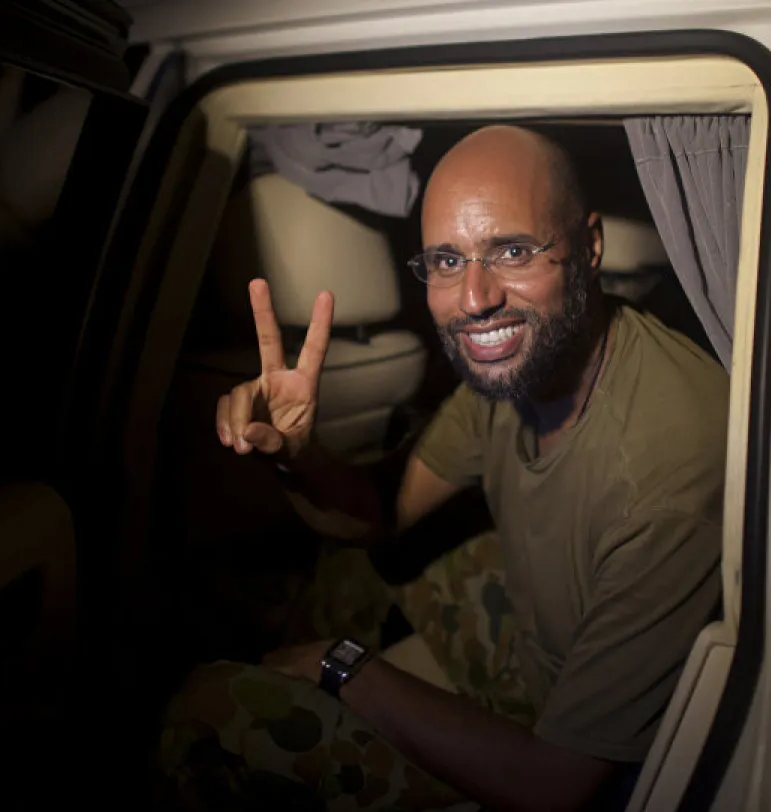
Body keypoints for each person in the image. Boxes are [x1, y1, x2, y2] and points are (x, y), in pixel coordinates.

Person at [161, 125, 729, 811]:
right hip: (535, 653)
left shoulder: (669, 474)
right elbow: (382, 513)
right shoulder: (525, 365)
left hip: (581, 772)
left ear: (591, 245)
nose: (473, 299)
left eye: (513, 251)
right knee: (354, 574)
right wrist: (297, 457)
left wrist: (341, 667)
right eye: (445, 261)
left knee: (208, 713)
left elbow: (559, 786)